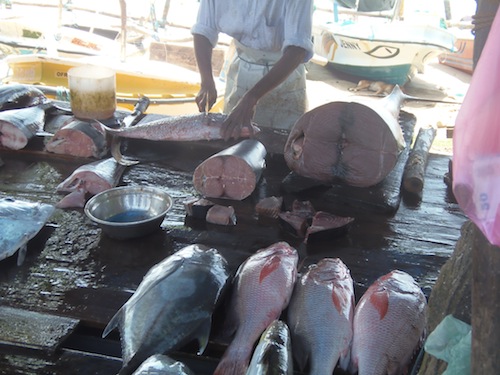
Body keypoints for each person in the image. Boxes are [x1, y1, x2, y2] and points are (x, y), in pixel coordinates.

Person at [191, 0, 314, 141]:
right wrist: (206, 81)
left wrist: (251, 98)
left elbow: (297, 51)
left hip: (284, 75)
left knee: (282, 143)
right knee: (232, 139)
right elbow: (203, 30)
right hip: (240, 67)